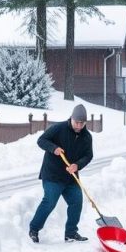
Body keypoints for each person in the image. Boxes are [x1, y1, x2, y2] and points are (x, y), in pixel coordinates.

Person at [28, 104, 93, 243]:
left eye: (82, 123)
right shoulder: (58, 128)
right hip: (53, 174)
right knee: (50, 201)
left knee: (77, 202)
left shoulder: (87, 136)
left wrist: (77, 165)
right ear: (72, 118)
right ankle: (34, 229)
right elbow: (41, 140)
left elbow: (88, 156)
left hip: (71, 177)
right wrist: (54, 148)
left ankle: (71, 233)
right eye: (77, 122)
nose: (79, 126)